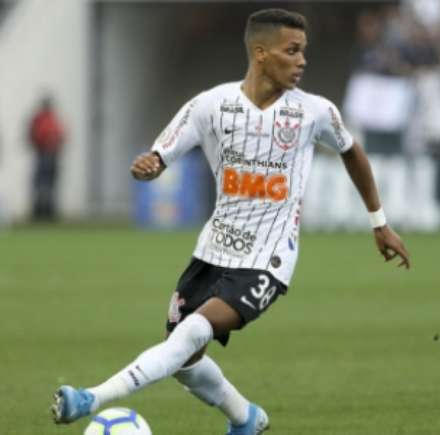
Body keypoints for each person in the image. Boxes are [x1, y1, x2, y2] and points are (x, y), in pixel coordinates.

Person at [51, 9, 410, 434]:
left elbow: (352, 152)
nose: (302, 61)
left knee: (189, 336)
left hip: (268, 261)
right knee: (184, 359)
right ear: (261, 53)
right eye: (291, 51)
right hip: (212, 252)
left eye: (304, 52)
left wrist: (379, 221)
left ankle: (91, 398)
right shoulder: (211, 106)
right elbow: (162, 152)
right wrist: (152, 164)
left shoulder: (315, 113)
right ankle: (246, 418)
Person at [28, 96, 65, 220]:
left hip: (49, 155)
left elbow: (60, 136)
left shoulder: (48, 119)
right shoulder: (44, 119)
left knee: (47, 185)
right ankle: (41, 212)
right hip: (44, 154)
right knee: (43, 185)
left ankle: (47, 212)